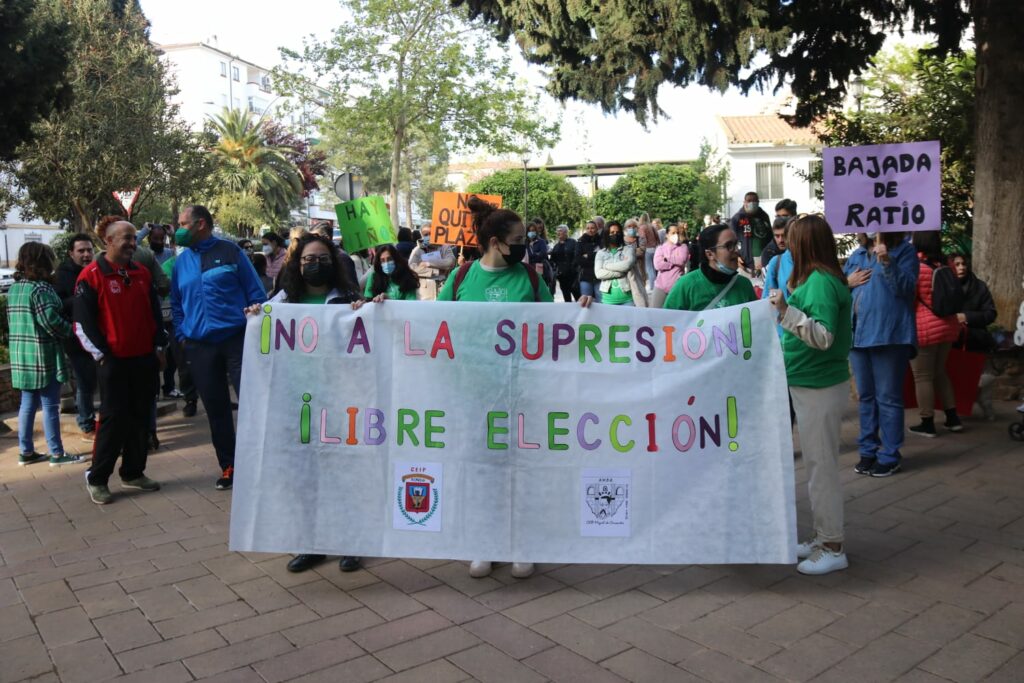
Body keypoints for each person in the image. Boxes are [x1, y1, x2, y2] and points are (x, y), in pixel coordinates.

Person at [438, 195, 554, 579]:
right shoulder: (459, 278)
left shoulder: (533, 280)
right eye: (519, 238)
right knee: (481, 469)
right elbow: (429, 324)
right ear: (495, 243)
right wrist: (380, 310)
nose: (527, 243)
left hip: (522, 393)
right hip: (473, 394)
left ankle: (523, 543)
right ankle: (483, 543)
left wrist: (585, 310)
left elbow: (556, 330)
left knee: (521, 469)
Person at [246, 233, 365, 574]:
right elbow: (265, 339)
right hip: (297, 400)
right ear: (297, 266)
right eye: (309, 260)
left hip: (340, 399)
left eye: (322, 259)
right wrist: (257, 316)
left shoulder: (348, 300)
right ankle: (310, 542)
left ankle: (351, 541)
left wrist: (367, 310)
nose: (315, 265)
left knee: (343, 472)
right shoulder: (282, 302)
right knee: (304, 474)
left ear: (334, 264)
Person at [768, 214, 853, 575]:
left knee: (821, 468)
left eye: (792, 238)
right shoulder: (822, 279)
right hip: (813, 382)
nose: (786, 243)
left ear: (805, 244)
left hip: (818, 383)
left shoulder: (818, 282)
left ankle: (833, 546)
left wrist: (786, 312)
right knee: (818, 466)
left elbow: (822, 336)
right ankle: (823, 538)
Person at [172, 205, 267, 489]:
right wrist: (182, 335)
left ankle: (261, 465)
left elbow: (257, 294)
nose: (178, 228)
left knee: (252, 404)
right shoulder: (181, 262)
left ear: (201, 224)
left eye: (183, 223)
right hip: (200, 346)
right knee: (216, 409)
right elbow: (177, 304)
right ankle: (230, 467)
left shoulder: (231, 252)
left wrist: (253, 320)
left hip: (237, 341)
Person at [76, 220, 167, 504]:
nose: (132, 243)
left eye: (133, 238)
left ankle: (133, 472)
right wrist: (103, 357)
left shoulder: (141, 273)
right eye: (126, 238)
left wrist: (160, 345)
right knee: (114, 421)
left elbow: (154, 313)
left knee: (141, 418)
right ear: (108, 241)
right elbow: (82, 324)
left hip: (144, 360)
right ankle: (98, 477)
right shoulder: (90, 277)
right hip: (114, 363)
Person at [843, 231, 918, 476]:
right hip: (858, 336)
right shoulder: (856, 255)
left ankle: (889, 454)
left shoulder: (905, 252)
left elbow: (907, 289)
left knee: (888, 398)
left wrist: (887, 262)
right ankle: (868, 450)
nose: (863, 231)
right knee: (866, 397)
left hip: (889, 335)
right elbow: (841, 291)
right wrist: (847, 282)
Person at [9, 243, 85, 467]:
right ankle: (57, 453)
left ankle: (26, 451)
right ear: (44, 261)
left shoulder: (16, 288)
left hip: (22, 356)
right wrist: (73, 329)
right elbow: (51, 322)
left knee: (27, 404)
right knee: (51, 405)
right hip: (43, 356)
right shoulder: (40, 289)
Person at [908, 230, 963, 439]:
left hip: (925, 328)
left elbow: (910, 298)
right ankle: (953, 418)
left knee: (922, 376)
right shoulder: (944, 265)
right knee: (940, 372)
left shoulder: (917, 267)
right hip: (948, 326)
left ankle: (927, 422)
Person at [54, 233, 98, 439]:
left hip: (98, 336)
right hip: (76, 339)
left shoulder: (98, 270)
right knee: (85, 382)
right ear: (71, 253)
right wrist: (81, 298)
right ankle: (86, 423)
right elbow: (59, 305)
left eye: (89, 250)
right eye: (81, 251)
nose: (86, 254)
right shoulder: (63, 275)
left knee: (97, 380)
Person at [663, 224, 757, 311]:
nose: (736, 250)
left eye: (737, 244)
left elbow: (756, 321)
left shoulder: (744, 285)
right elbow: (667, 324)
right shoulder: (686, 286)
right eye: (729, 246)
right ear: (710, 254)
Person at [951, 253, 998, 420]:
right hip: (953, 342)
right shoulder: (945, 287)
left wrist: (967, 317)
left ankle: (985, 404)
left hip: (976, 340)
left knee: (981, 380)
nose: (961, 267)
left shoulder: (979, 287)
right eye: (956, 264)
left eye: (963, 264)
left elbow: (990, 313)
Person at [159, 244, 198, 418]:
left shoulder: (200, 260)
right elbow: (168, 292)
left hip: (200, 318)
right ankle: (190, 400)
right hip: (179, 321)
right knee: (184, 363)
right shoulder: (169, 265)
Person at [595, 221, 648, 307]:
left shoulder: (628, 249)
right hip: (607, 300)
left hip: (627, 299)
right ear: (606, 234)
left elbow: (627, 265)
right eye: (612, 232)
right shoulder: (601, 253)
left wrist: (606, 266)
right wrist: (621, 272)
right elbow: (599, 274)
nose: (615, 234)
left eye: (617, 232)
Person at [760, 217, 794, 337]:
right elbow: (768, 297)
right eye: (777, 236)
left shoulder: (810, 262)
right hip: (783, 332)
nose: (780, 240)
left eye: (783, 235)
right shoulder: (776, 261)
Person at [409, 224, 456, 300]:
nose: (429, 236)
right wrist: (436, 271)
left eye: (431, 233)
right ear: (422, 236)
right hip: (425, 293)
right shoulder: (417, 250)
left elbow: (450, 262)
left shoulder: (444, 247)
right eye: (426, 234)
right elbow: (412, 268)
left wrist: (428, 263)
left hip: (442, 289)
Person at [730, 192, 772, 272]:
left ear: (758, 202)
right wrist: (735, 256)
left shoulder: (764, 217)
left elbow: (770, 238)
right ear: (744, 202)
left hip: (764, 262)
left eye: (754, 201)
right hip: (745, 263)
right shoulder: (737, 218)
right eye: (749, 200)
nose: (752, 203)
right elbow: (730, 241)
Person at [650, 223, 688, 309]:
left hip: (677, 286)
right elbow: (657, 265)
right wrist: (673, 262)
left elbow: (682, 260)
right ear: (667, 235)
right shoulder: (660, 248)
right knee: (655, 312)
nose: (676, 235)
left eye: (677, 233)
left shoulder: (683, 247)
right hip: (661, 286)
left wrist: (666, 259)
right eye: (673, 233)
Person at [549, 224, 578, 302]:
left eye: (560, 231)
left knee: (577, 296)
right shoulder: (556, 246)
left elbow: (577, 256)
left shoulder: (573, 242)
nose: (558, 233)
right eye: (557, 231)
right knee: (566, 297)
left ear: (566, 232)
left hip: (573, 276)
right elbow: (552, 260)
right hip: (562, 277)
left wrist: (573, 268)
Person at [574, 220, 602, 302]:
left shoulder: (602, 241)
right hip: (585, 276)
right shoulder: (580, 241)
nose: (590, 230)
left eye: (592, 228)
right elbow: (578, 259)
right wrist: (595, 257)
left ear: (597, 229)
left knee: (601, 301)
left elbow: (603, 256)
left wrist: (588, 255)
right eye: (588, 228)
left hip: (599, 276)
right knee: (585, 301)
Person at [526, 219, 554, 293]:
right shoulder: (525, 243)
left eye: (533, 230)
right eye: (530, 230)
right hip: (529, 269)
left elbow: (543, 254)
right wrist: (536, 254)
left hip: (540, 268)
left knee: (541, 288)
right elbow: (525, 255)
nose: (532, 232)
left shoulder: (541, 241)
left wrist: (532, 256)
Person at [637, 214, 661, 293]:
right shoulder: (652, 226)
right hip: (654, 249)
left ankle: (652, 287)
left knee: (649, 269)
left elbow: (643, 238)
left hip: (647, 249)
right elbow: (657, 238)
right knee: (654, 269)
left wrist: (642, 248)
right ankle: (656, 286)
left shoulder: (642, 227)